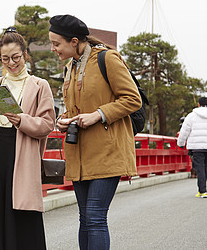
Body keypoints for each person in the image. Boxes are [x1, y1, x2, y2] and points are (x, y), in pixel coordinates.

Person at [49, 15, 142, 250]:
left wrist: (98, 114)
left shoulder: (107, 59)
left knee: (95, 217)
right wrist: (63, 119)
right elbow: (72, 106)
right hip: (79, 153)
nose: (53, 49)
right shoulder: (70, 67)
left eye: (56, 43)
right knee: (84, 218)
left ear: (73, 41)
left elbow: (133, 99)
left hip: (107, 151)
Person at [0, 27, 56, 250]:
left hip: (22, 156)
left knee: (21, 210)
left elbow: (47, 124)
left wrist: (21, 120)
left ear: (25, 55)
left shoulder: (40, 86)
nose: (11, 63)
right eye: (5, 58)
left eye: (16, 57)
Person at [177, 96, 207, 198]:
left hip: (197, 148)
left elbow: (184, 131)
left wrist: (180, 143)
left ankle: (203, 191)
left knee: (200, 168)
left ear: (198, 104)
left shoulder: (191, 116)